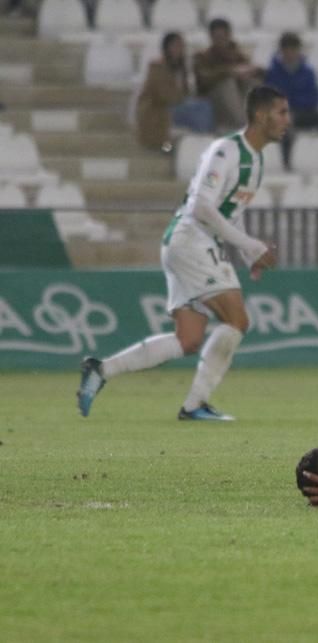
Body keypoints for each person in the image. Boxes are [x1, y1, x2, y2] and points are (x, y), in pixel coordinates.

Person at [76, 87, 288, 421]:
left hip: (195, 243)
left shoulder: (258, 160)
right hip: (191, 239)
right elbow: (201, 205)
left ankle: (101, 369)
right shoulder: (226, 151)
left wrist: (246, 254)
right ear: (261, 115)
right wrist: (248, 244)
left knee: (187, 339)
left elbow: (228, 211)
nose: (287, 121)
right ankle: (194, 405)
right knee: (237, 320)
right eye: (281, 112)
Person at [264, 32, 318, 169]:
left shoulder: (308, 72)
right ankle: (287, 162)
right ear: (282, 51)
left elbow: (314, 97)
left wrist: (295, 103)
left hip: (305, 112)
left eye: (293, 49)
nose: (290, 53)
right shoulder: (273, 73)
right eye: (287, 50)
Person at [136, 32, 214, 151]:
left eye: (182, 46)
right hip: (159, 109)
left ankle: (203, 139)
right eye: (176, 46)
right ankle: (204, 140)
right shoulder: (157, 67)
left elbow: (187, 91)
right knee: (200, 108)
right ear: (167, 48)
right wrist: (183, 98)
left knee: (204, 105)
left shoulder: (182, 68)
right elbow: (164, 95)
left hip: (176, 104)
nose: (180, 49)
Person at [194, 18, 263, 131]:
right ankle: (245, 123)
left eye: (224, 36)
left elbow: (251, 69)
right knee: (227, 84)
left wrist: (251, 71)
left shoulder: (237, 55)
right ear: (211, 37)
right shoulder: (203, 57)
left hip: (238, 100)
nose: (221, 40)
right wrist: (229, 72)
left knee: (252, 83)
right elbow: (203, 80)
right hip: (214, 102)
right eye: (217, 37)